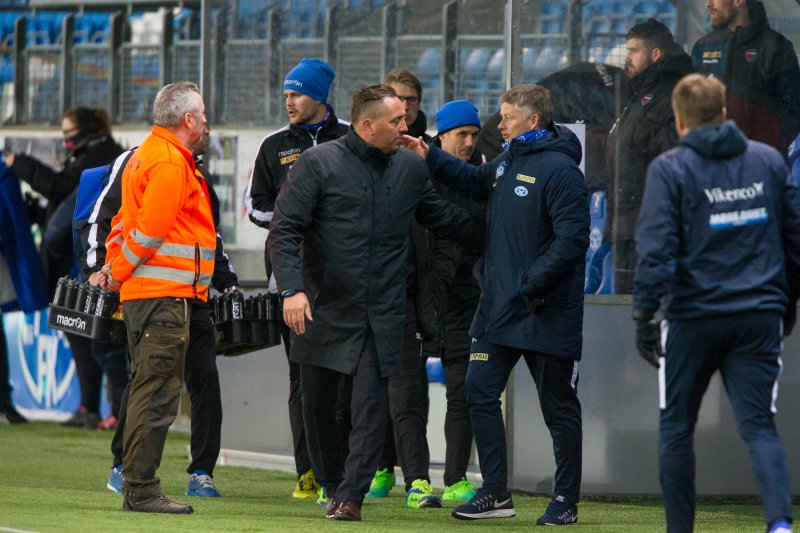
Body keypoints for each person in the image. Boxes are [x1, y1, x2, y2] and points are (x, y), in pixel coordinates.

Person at [267, 84, 479, 522]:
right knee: (319, 408)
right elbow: (284, 231)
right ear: (367, 126)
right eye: (397, 122)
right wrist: (292, 289)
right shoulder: (317, 164)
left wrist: (512, 227)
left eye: (405, 119)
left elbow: (444, 219)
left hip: (385, 313)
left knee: (371, 406)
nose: (407, 128)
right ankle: (331, 482)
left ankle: (350, 495)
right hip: (321, 308)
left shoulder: (409, 169)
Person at [403, 84, 588, 525]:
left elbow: (572, 242)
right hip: (498, 310)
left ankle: (565, 499)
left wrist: (528, 283)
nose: (498, 124)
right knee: (478, 391)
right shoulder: (508, 160)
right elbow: (471, 180)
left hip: (545, 311)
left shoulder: (562, 171)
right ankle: (496, 492)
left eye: (506, 117)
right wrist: (428, 153)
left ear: (533, 121)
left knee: (558, 407)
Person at [633, 73, 799, 533]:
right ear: (724, 113)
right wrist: (788, 303)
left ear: (680, 122)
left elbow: (656, 248)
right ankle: (780, 524)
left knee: (676, 427)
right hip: (757, 316)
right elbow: (794, 238)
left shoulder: (670, 168)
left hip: (692, 318)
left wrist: (644, 315)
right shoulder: (767, 160)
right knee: (760, 426)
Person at [92, 130, 237, 499]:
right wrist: (105, 269)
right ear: (186, 120)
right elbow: (114, 222)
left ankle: (201, 470)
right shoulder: (146, 160)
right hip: (154, 293)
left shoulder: (192, 171)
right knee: (150, 381)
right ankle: (125, 469)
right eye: (202, 118)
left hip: (192, 294)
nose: (207, 127)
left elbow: (205, 236)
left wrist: (227, 280)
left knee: (198, 379)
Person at [244, 57, 351, 501]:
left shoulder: (349, 136)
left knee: (344, 379)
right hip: (292, 282)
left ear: (319, 96)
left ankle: (346, 471)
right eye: (286, 93)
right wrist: (297, 220)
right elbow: (254, 206)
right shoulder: (273, 146)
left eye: (296, 93)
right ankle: (308, 471)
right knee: (303, 378)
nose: (288, 101)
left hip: (345, 281)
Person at [3, 107, 126, 429]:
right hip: (87, 265)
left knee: (107, 343)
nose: (66, 140)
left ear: (86, 131)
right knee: (85, 336)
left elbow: (58, 193)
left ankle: (116, 412)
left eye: (69, 134)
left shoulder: (101, 159)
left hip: (95, 265)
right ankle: (92, 407)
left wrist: (19, 164)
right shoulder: (91, 157)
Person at [605, 18, 693, 293]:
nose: (626, 57)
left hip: (648, 226)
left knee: (641, 305)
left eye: (634, 50)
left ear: (656, 54)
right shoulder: (638, 92)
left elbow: (673, 156)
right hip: (626, 221)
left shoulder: (674, 95)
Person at [429, 100, 485, 502]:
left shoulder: (488, 171)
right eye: (461, 135)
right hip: (422, 292)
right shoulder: (418, 168)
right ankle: (391, 469)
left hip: (467, 294)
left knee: (461, 389)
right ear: (442, 135)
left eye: (474, 134)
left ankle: (456, 477)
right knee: (399, 388)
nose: (468, 142)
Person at [691, 0, 800, 156]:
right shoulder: (702, 49)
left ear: (738, 1)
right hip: (711, 161)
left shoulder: (775, 46)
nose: (708, 4)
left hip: (759, 163)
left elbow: (794, 109)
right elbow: (689, 108)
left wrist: (766, 148)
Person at [384, 69, 431, 143]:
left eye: (411, 99)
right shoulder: (370, 144)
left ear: (419, 104)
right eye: (398, 98)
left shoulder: (432, 150)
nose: (405, 107)